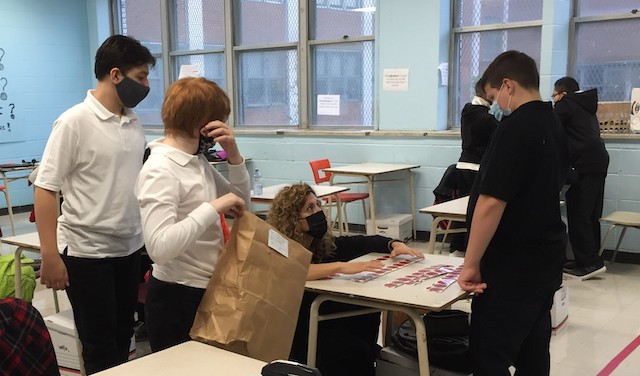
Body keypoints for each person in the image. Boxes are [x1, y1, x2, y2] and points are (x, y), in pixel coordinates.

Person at [34, 35, 155, 374]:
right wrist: (49, 255)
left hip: (128, 249)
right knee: (99, 346)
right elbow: (45, 189)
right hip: (87, 254)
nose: (146, 85)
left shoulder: (133, 121)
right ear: (115, 74)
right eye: (141, 76)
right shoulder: (73, 122)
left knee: (122, 338)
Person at [457, 51, 569, 376]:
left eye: (493, 98)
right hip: (543, 260)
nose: (495, 106)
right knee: (533, 352)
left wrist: (471, 263)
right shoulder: (553, 122)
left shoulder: (516, 127)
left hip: (512, 267)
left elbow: (492, 202)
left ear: (507, 86)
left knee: (489, 355)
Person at [134, 77, 249, 353]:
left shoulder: (195, 161)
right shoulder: (160, 169)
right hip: (177, 296)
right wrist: (213, 208)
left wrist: (233, 155)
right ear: (204, 125)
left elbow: (241, 202)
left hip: (207, 288)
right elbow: (159, 248)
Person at [267, 183, 423, 376]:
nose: (318, 212)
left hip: (331, 324)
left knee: (368, 308)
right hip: (302, 332)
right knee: (353, 347)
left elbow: (363, 242)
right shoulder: (279, 249)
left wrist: (393, 244)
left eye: (318, 205)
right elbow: (292, 269)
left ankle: (365, 360)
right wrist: (342, 267)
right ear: (292, 220)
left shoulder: (322, 246)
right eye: (309, 209)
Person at [553, 77, 609, 280]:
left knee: (579, 213)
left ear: (563, 94)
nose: (554, 100)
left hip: (583, 164)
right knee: (591, 214)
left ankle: (588, 263)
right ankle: (589, 258)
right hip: (598, 161)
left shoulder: (566, 105)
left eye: (554, 96)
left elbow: (549, 126)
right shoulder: (585, 106)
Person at [449, 78, 499, 254]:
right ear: (487, 94)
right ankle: (469, 249)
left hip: (463, 165)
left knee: (466, 210)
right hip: (476, 167)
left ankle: (458, 246)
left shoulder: (467, 111)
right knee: (475, 212)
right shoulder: (485, 118)